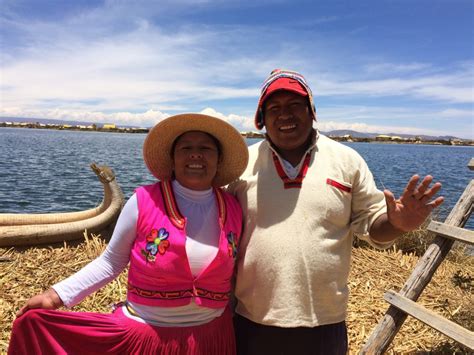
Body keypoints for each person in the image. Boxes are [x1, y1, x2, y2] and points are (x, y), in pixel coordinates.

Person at [227, 69, 444, 355]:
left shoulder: (346, 160)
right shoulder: (241, 166)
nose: (285, 115)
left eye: (295, 106)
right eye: (274, 108)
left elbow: (373, 225)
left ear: (312, 111)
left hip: (324, 323)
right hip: (252, 319)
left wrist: (398, 224)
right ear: (261, 119)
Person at [9, 113, 249, 355]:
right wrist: (55, 296)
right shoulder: (144, 202)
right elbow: (111, 262)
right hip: (146, 337)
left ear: (219, 160)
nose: (195, 154)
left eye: (205, 148)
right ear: (172, 159)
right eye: (186, 147)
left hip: (212, 339)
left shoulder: (233, 208)